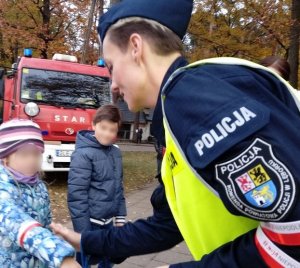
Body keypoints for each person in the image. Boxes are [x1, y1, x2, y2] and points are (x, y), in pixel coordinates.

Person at [51, 0, 300, 267]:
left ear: (136, 47)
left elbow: (293, 237)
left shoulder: (193, 99)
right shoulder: (178, 111)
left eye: (111, 67)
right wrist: (88, 242)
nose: (113, 85)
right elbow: (168, 224)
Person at [0, 119, 79, 267]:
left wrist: (52, 231)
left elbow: (45, 221)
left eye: (36, 153)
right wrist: (58, 254)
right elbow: (17, 223)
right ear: (5, 157)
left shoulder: (39, 186)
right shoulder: (3, 189)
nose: (32, 160)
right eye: (24, 154)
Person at [67, 104, 127, 267]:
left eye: (112, 130)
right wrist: (84, 232)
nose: (107, 134)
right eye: (103, 128)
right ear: (94, 125)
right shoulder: (83, 154)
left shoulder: (115, 152)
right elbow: (77, 195)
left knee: (108, 261)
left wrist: (120, 218)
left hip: (109, 224)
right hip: (90, 223)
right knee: (85, 261)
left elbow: (118, 186)